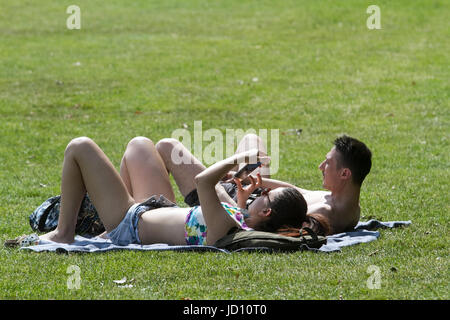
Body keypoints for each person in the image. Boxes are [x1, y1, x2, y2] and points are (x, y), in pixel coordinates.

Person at [39, 137, 308, 246]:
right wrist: (239, 195)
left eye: (263, 196)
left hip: (129, 223)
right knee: (140, 145)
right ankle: (103, 230)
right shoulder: (236, 221)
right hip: (157, 209)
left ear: (266, 210)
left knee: (80, 146)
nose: (259, 193)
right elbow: (222, 197)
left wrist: (239, 160)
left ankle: (64, 234)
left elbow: (205, 182)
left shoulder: (227, 224)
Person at [153, 134, 372, 236]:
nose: (320, 166)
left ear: (345, 173)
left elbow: (262, 224)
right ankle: (228, 173)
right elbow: (294, 190)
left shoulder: (328, 213)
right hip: (255, 195)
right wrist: (244, 177)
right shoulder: (341, 200)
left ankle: (157, 213)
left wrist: (239, 198)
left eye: (328, 163)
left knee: (167, 146)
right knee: (252, 139)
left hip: (234, 207)